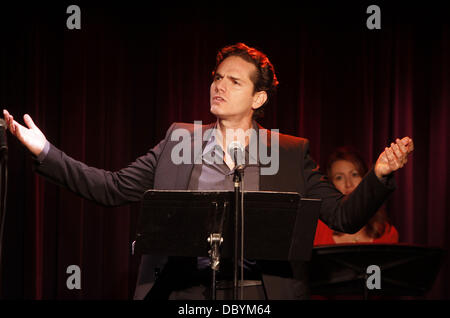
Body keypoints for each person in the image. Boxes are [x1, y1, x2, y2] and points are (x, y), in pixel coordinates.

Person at [2, 43, 414, 300]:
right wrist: (46, 151)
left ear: (259, 97)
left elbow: (343, 216)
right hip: (186, 292)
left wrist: (378, 176)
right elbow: (110, 188)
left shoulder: (288, 152)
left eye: (234, 81)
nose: (219, 86)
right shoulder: (179, 141)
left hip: (261, 293)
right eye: (217, 78)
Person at [314, 146, 399, 246]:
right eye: (339, 178)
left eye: (354, 175)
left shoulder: (386, 232)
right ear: (330, 185)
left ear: (365, 178)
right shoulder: (315, 230)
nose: (348, 184)